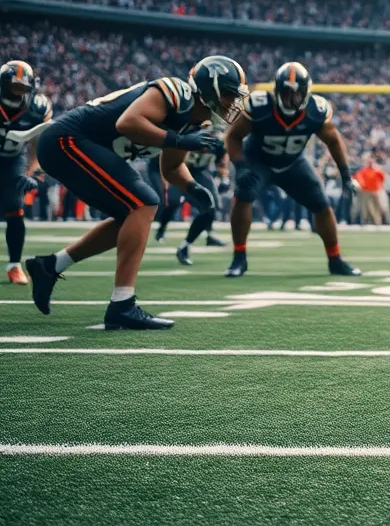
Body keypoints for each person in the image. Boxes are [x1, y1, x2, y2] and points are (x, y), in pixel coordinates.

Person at [25, 56, 245, 329]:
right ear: (211, 88)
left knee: (131, 216)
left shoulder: (191, 121)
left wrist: (193, 187)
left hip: (77, 146)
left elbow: (172, 166)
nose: (232, 103)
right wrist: (178, 139)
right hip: (66, 140)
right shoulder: (177, 92)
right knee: (145, 202)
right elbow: (128, 122)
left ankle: (50, 266)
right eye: (230, 94)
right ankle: (122, 305)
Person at [223, 62, 360, 278]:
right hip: (259, 162)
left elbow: (334, 141)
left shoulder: (316, 110)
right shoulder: (259, 106)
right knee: (243, 195)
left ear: (306, 92)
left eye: (296, 93)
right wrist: (240, 167)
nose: (291, 99)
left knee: (322, 205)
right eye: (286, 93)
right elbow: (233, 136)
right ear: (276, 91)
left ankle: (335, 259)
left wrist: (346, 176)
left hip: (293, 163)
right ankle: (239, 257)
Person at [0, 61, 52, 285]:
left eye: (22, 88)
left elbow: (38, 145)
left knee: (15, 208)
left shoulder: (38, 108)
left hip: (13, 160)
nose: (17, 93)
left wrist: (32, 172)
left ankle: (14, 265)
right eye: (14, 87)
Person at [151, 126, 229, 265]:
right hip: (181, 169)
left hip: (201, 171)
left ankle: (191, 242)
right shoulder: (192, 138)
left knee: (211, 207)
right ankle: (162, 228)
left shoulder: (219, 145)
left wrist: (224, 178)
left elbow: (222, 162)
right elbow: (170, 159)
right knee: (173, 201)